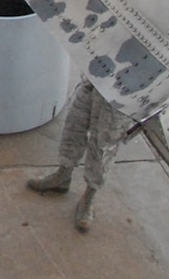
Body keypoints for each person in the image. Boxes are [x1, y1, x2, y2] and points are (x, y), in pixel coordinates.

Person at [27, 77, 133, 232]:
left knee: (103, 145)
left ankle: (89, 197)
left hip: (124, 92)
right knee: (75, 125)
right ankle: (63, 175)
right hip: (98, 76)